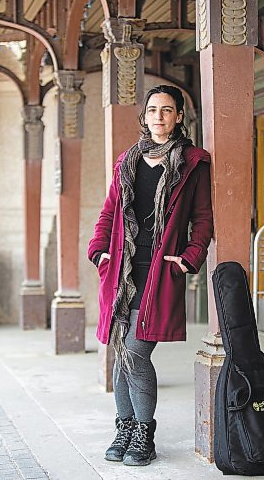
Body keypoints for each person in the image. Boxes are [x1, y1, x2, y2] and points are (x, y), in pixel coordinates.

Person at [88, 84, 213, 467]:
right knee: (121, 354)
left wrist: (190, 258)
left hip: (161, 270)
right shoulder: (127, 161)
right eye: (153, 109)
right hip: (122, 270)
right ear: (144, 116)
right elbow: (110, 211)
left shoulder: (192, 162)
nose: (159, 116)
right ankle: (124, 428)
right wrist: (99, 249)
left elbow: (203, 218)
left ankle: (144, 433)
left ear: (178, 117)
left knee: (136, 352)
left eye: (167, 110)